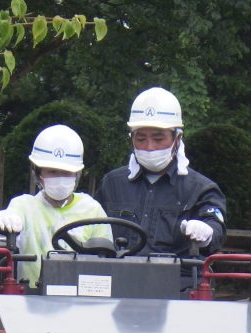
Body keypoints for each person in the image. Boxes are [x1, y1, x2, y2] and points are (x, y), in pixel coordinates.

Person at [96, 87, 226, 272]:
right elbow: (89, 228)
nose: (149, 146)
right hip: (116, 282)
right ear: (131, 138)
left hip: (176, 288)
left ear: (177, 138)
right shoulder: (112, 183)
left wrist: (208, 233)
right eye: (141, 138)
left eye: (158, 138)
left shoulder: (201, 189)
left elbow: (216, 229)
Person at [0, 124, 111, 288]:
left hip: (82, 302)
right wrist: (4, 222)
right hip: (30, 300)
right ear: (38, 173)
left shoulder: (93, 210)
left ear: (77, 174)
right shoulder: (24, 206)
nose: (60, 178)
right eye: (53, 172)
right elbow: (10, 222)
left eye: (66, 172)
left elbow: (107, 263)